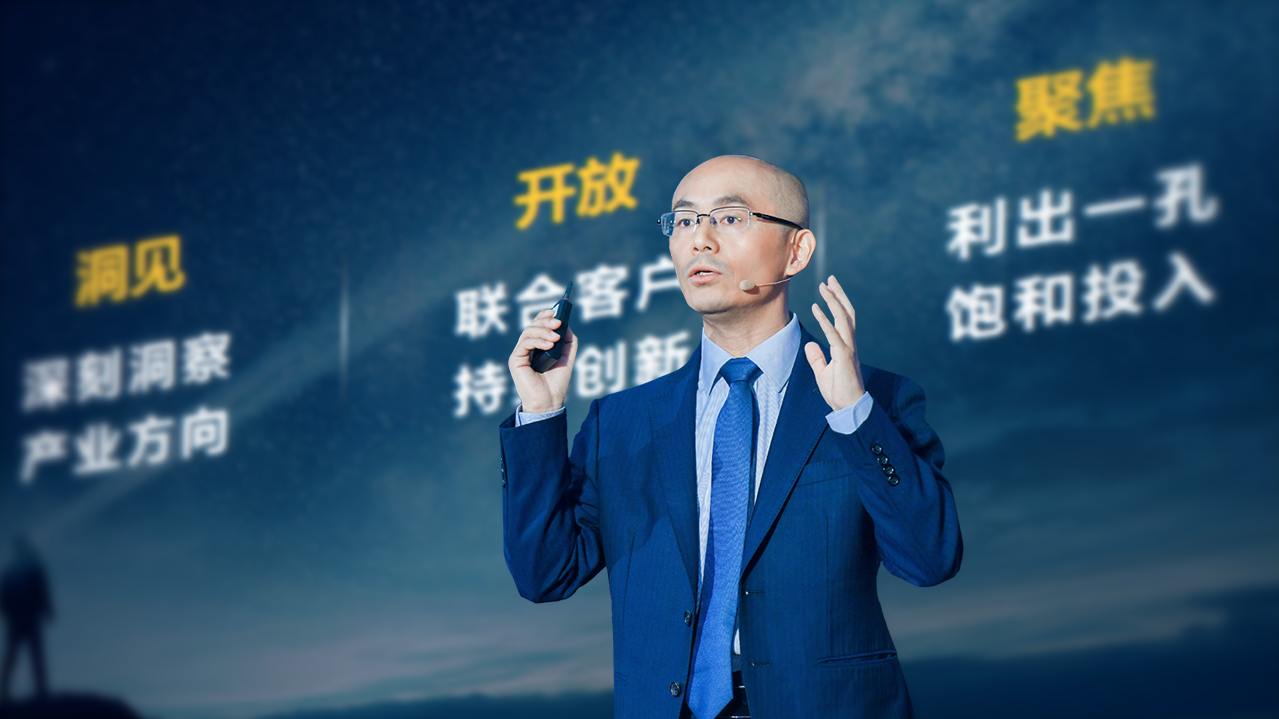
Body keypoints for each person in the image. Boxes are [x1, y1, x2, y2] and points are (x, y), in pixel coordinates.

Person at [500, 155, 962, 719]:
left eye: (730, 217)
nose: (700, 239)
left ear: (796, 251)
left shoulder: (877, 402)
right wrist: (541, 413)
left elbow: (929, 559)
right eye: (684, 221)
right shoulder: (621, 422)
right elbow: (545, 573)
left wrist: (853, 413)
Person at [1, 536, 53, 704]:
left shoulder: (12, 571)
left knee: (16, 656)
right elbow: (41, 592)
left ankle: (7, 692)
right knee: (32, 656)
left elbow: (4, 597)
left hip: (19, 620)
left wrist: (8, 613)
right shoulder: (29, 569)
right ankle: (40, 692)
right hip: (28, 619)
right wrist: (48, 611)